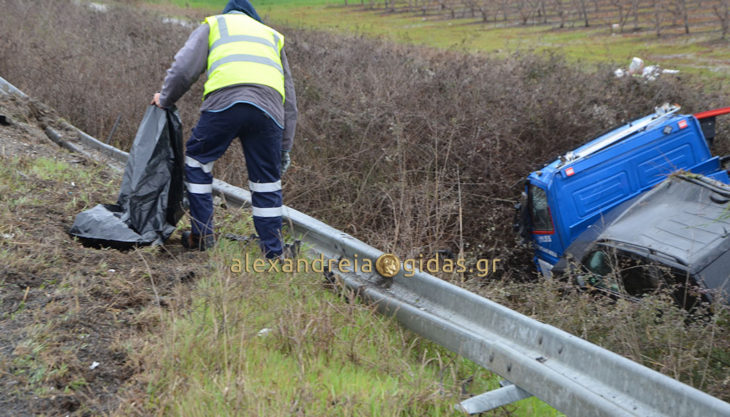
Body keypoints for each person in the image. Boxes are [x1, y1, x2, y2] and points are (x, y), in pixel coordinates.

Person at [152, 0, 297, 257]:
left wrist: (165, 99)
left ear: (229, 12)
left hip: (225, 105)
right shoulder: (272, 36)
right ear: (254, 18)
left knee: (197, 162)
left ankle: (203, 235)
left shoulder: (215, 24)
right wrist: (284, 148)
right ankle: (274, 254)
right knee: (266, 183)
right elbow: (290, 100)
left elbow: (183, 70)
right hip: (268, 111)